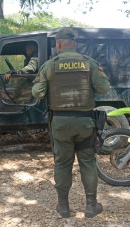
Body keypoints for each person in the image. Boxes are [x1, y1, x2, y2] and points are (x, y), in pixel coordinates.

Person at [32, 28, 110, 218]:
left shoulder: (50, 65)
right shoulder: (89, 64)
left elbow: (37, 93)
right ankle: (91, 206)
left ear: (58, 44)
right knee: (88, 163)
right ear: (75, 44)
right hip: (85, 123)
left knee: (62, 164)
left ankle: (64, 207)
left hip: (60, 124)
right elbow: (104, 88)